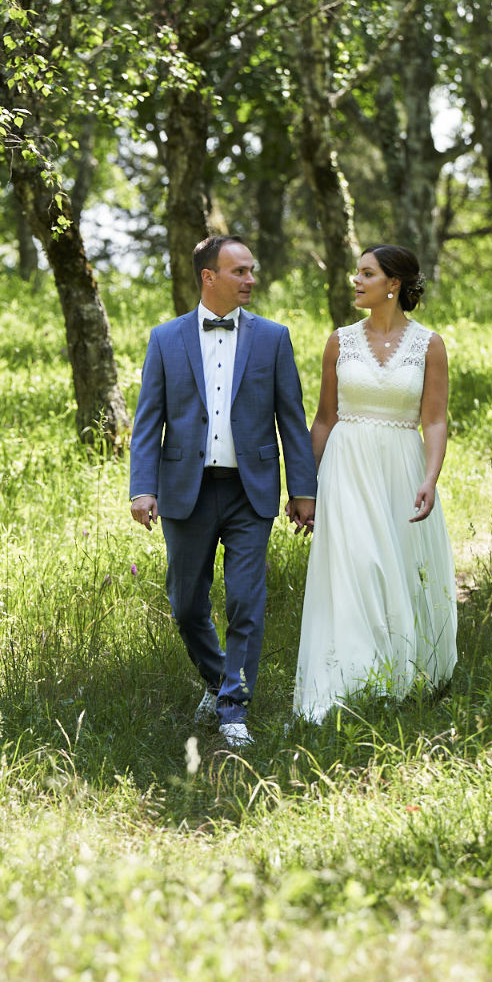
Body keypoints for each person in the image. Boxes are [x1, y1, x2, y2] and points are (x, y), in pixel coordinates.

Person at [130, 235, 318, 747]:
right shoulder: (166, 338)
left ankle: (234, 707)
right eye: (239, 271)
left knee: (245, 600)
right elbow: (149, 420)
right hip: (183, 490)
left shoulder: (273, 338)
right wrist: (142, 488)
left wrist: (304, 489)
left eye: (252, 270)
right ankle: (216, 679)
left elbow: (292, 420)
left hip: (249, 491)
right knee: (187, 603)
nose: (250, 279)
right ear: (208, 277)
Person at [294, 243, 457, 722]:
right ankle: (350, 681)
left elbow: (435, 421)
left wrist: (430, 477)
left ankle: (402, 676)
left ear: (394, 285)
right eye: (357, 272)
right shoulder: (339, 341)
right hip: (346, 467)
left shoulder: (430, 345)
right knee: (357, 567)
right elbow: (323, 419)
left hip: (403, 468)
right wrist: (306, 487)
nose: (356, 280)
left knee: (399, 570)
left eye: (367, 273)